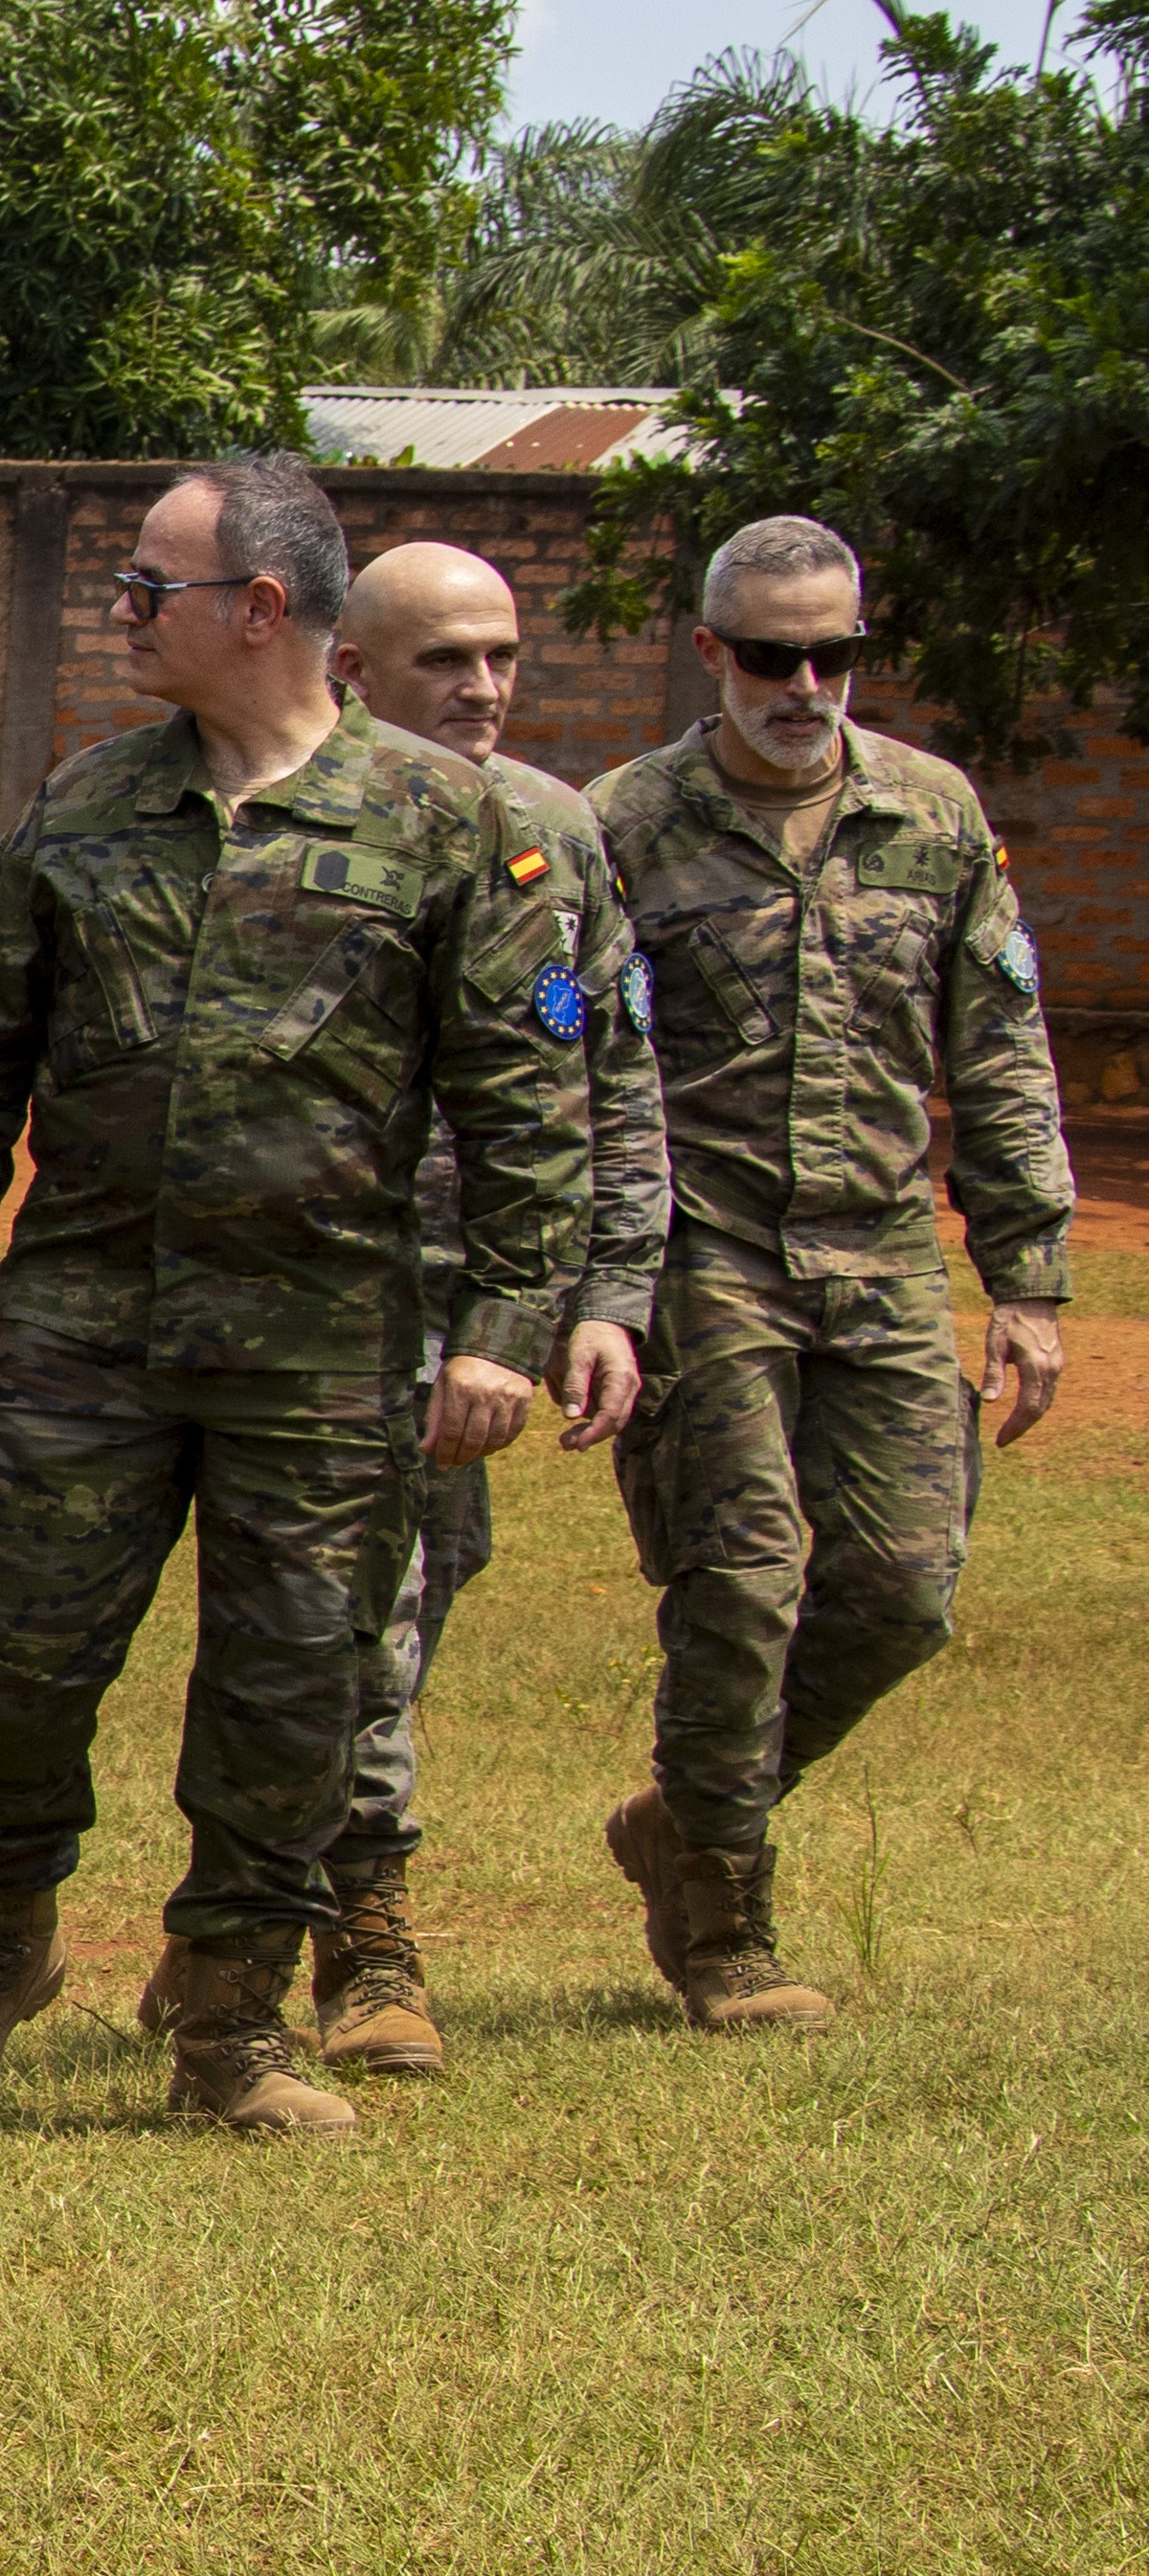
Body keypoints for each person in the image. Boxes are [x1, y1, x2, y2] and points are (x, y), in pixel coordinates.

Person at [0, 453, 590, 2141]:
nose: (119, 611)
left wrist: (499, 1332)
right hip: (81, 1343)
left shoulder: (447, 825)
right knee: (13, 1663)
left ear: (261, 610)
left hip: (325, 1353)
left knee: (292, 1692)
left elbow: (524, 1110)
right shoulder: (83, 810)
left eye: (148, 588)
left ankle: (231, 2023)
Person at [148, 539, 660, 2073]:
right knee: (349, 1629)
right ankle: (361, 1936)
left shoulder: (552, 837)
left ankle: (235, 1919)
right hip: (315, 1299)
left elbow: (609, 1083)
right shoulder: (266, 816)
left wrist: (600, 1297)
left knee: (390, 1621)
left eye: (504, 656)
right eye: (449, 660)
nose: (487, 689)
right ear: (351, 668)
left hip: (481, 1298)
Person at [588, 514, 1071, 2031]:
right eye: (775, 655)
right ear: (713, 652)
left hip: (878, 1254)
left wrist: (1031, 1276)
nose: (807, 684)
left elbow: (997, 1051)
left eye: (837, 654)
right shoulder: (622, 824)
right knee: (741, 1580)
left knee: (906, 1590)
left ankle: (686, 1813)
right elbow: (567, 1054)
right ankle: (726, 1920)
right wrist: (583, 1281)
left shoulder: (933, 816)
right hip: (702, 1253)